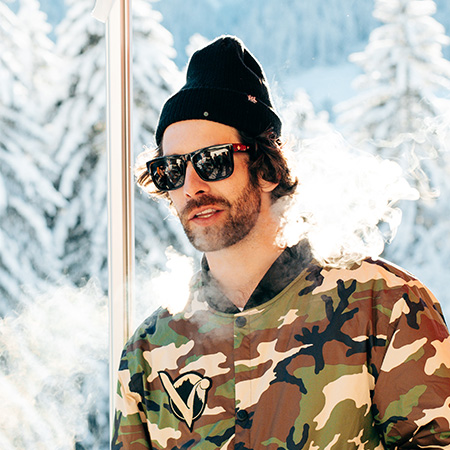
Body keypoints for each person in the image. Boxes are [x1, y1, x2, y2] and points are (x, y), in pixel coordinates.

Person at [112, 35, 450, 449]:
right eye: (171, 170)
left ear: (267, 169)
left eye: (212, 161)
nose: (190, 186)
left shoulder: (382, 305)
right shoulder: (150, 350)